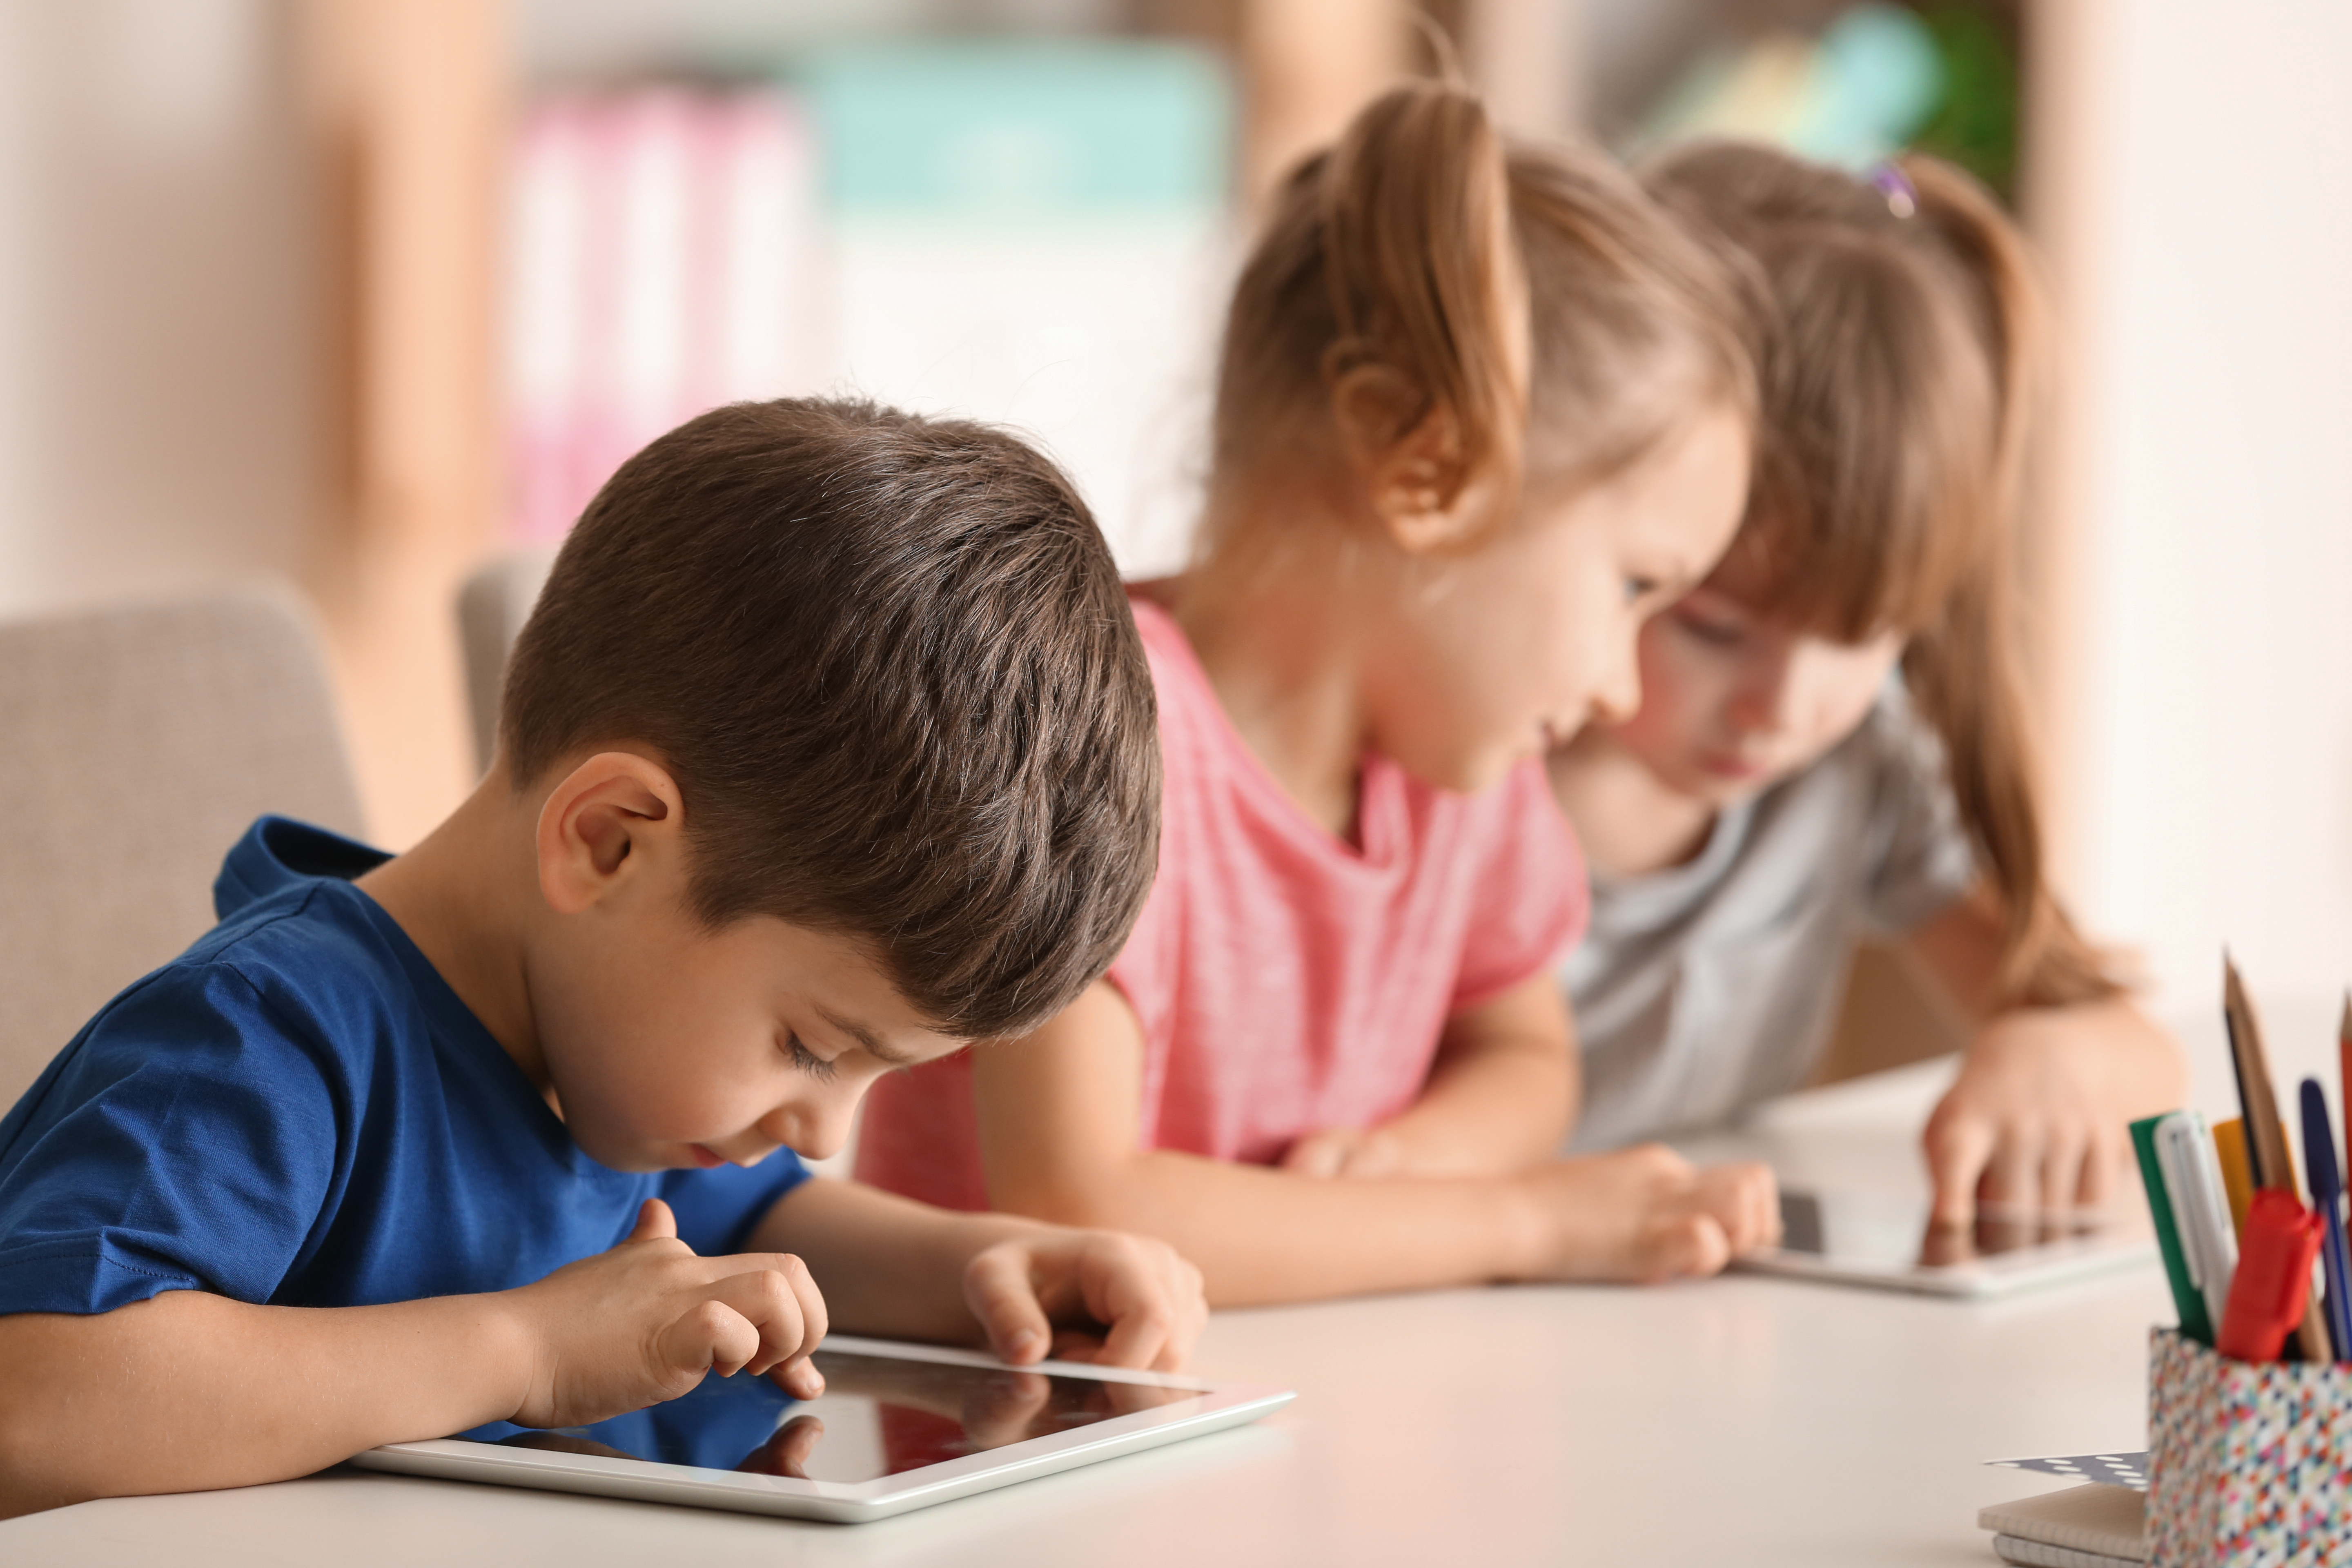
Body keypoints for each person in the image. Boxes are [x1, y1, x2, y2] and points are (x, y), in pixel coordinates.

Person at [0, 399, 1204, 1517]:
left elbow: (754, 1223)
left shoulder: (606, 1057)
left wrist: (988, 1271)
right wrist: (526, 1350)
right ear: (609, 844)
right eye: (809, 1045)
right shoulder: (267, 1042)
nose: (826, 1129)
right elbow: (37, 1393)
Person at [856, 82, 1780, 1304]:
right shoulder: (1087, 736)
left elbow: (1525, 1052)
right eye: (1633, 585)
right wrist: (1521, 1224)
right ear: (1423, 469)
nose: (1621, 688)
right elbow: (1079, 1207)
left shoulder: (1464, 764)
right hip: (1051, 1465)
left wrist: (1417, 1161)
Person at [1546, 143, 2186, 1218]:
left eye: (1868, 633)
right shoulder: (1457, 759)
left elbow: (2135, 1046)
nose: (1785, 709)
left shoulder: (1860, 767)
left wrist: (2053, 1050)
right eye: (1711, 627)